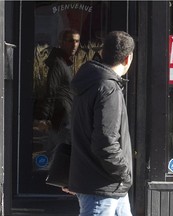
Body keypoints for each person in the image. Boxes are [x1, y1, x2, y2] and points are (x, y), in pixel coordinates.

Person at [68, 31, 135, 216]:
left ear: (103, 53)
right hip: (103, 185)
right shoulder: (108, 88)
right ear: (128, 58)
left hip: (106, 185)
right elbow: (105, 142)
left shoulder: (90, 82)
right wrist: (124, 173)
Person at [34, 29, 80, 151]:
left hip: (64, 116)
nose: (74, 45)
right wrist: (44, 118)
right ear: (62, 42)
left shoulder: (64, 63)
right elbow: (51, 90)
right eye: (70, 41)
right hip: (61, 118)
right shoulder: (58, 63)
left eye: (77, 41)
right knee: (60, 152)